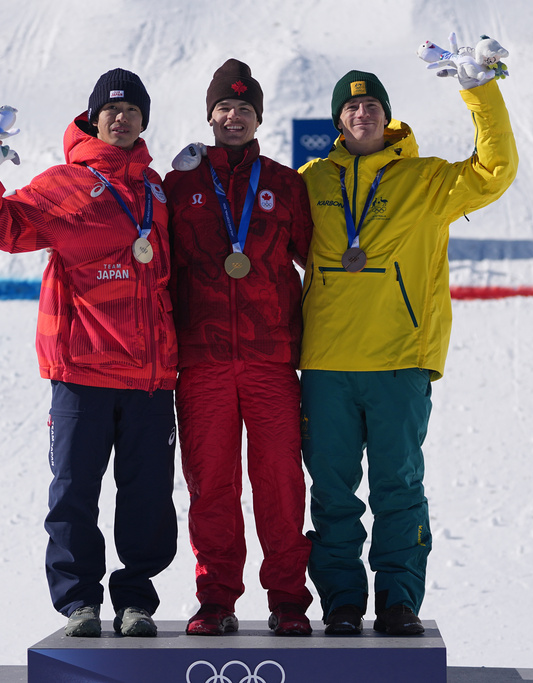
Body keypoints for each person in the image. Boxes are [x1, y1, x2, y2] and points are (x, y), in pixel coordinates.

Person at [297, 43, 518, 635]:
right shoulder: (312, 181)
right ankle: (341, 600)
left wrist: (481, 92)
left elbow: (495, 172)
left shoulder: (429, 180)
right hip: (325, 365)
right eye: (351, 106)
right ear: (338, 121)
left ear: (386, 115)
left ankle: (399, 602)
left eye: (371, 104)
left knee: (399, 488)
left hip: (399, 361)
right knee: (333, 494)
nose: (361, 113)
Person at [0, 68, 178, 638]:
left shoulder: (156, 188)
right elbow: (1, 225)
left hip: (151, 375)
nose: (122, 118)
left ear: (143, 120)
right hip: (83, 369)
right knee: (75, 490)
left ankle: (135, 600)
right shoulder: (64, 183)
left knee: (148, 497)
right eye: (112, 109)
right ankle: (79, 601)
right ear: (93, 117)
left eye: (132, 110)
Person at [163, 59, 314, 636]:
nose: (233, 117)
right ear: (210, 116)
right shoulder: (179, 187)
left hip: (270, 358)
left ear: (258, 119)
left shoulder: (284, 183)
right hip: (201, 360)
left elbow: (318, 265)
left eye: (245, 109)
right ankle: (217, 599)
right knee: (211, 484)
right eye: (224, 109)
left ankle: (288, 601)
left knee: (280, 482)